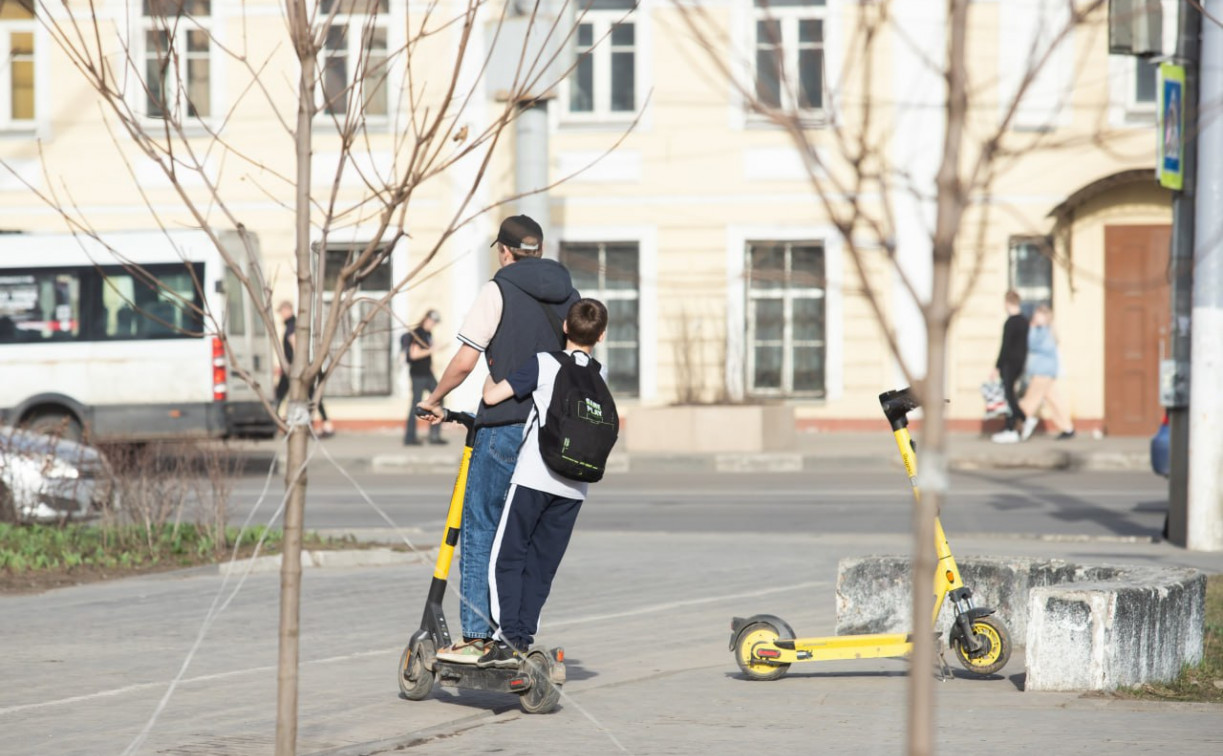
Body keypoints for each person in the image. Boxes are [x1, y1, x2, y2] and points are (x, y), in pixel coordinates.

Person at [418, 215, 579, 663]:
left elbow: (466, 360)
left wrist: (434, 398)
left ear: (505, 251)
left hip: (504, 424)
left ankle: (475, 634)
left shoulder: (498, 290)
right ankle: (517, 635)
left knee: (481, 525)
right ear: (540, 250)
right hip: (551, 432)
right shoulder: (570, 294)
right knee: (523, 536)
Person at [474, 298, 610, 668]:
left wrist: (491, 371)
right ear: (601, 335)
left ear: (565, 327)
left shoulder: (545, 363)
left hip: (535, 475)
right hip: (574, 487)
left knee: (507, 556)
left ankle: (507, 638)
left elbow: (492, 396)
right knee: (542, 565)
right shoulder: (598, 377)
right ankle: (526, 637)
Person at [274, 301, 335, 438]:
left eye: (281, 312)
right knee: (310, 395)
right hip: (295, 369)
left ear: (287, 310)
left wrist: (298, 366)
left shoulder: (291, 326)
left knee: (281, 396)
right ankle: (323, 423)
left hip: (293, 370)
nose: (281, 315)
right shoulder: (294, 324)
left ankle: (277, 423)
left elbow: (296, 347)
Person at [1019, 304, 1075, 441]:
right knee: (1054, 400)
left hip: (1042, 372)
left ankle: (1018, 426)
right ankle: (1067, 428)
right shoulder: (1047, 331)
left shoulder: (1043, 331)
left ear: (1046, 317)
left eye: (1038, 315)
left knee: (1030, 400)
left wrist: (1031, 328)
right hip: (1047, 371)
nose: (1035, 317)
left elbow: (1031, 345)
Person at [401, 309, 444, 446]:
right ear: (426, 319)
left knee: (438, 398)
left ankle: (434, 435)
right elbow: (414, 355)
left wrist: (432, 368)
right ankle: (410, 437)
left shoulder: (428, 334)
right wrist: (432, 350)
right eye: (432, 321)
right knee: (416, 404)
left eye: (435, 322)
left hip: (427, 373)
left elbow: (427, 356)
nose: (433, 324)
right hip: (418, 374)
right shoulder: (417, 333)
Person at [990, 291, 1028, 444]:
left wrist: (997, 366)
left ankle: (1018, 421)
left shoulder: (1010, 322)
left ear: (1007, 303)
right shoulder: (1025, 321)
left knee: (1008, 395)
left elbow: (1005, 347)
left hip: (1009, 363)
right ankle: (1012, 425)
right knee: (1010, 393)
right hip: (1019, 363)